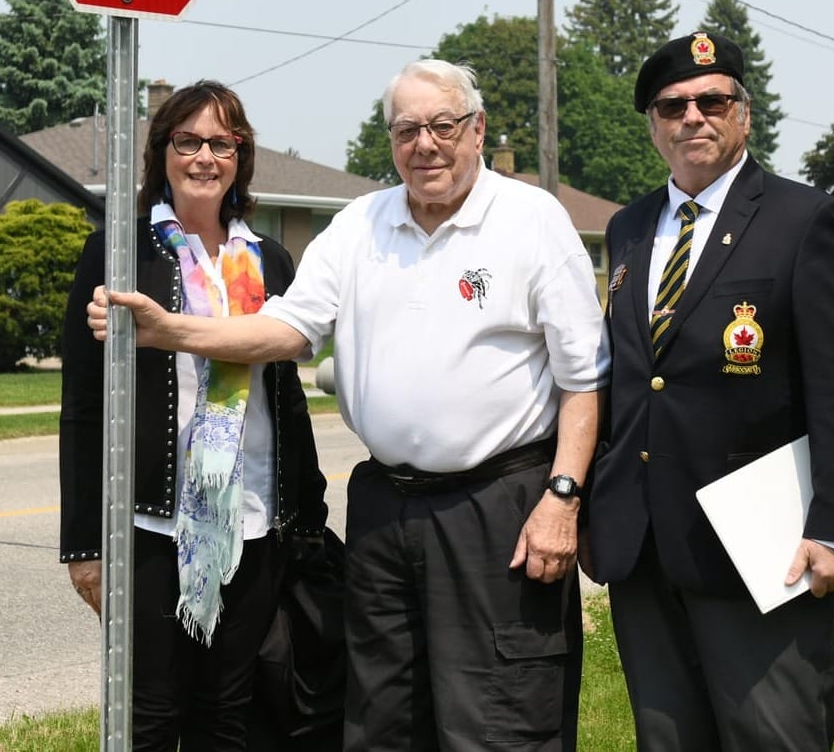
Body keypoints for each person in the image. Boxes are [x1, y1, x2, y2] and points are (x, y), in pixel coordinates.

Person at [90, 59, 607, 752]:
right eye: (406, 129)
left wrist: (562, 497)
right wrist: (169, 330)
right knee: (380, 713)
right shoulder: (361, 223)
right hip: (384, 509)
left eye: (442, 125)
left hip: (497, 507)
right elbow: (285, 330)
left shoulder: (531, 220)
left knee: (499, 714)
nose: (424, 144)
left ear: (477, 129)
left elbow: (584, 377)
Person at [582, 31, 834, 751]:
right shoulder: (627, 229)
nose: (692, 117)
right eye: (671, 106)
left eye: (711, 100)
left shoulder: (801, 219)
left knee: (771, 734)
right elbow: (626, 379)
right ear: (652, 125)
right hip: (644, 543)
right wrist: (595, 507)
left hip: (761, 541)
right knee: (667, 738)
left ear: (742, 115)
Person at [59, 80, 330, 752]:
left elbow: (287, 396)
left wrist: (306, 514)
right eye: (188, 141)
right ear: (163, 152)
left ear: (240, 155)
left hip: (254, 522)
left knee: (228, 711)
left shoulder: (269, 260)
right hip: (151, 524)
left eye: (220, 142)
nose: (204, 156)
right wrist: (83, 546)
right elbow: (83, 406)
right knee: (150, 714)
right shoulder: (121, 251)